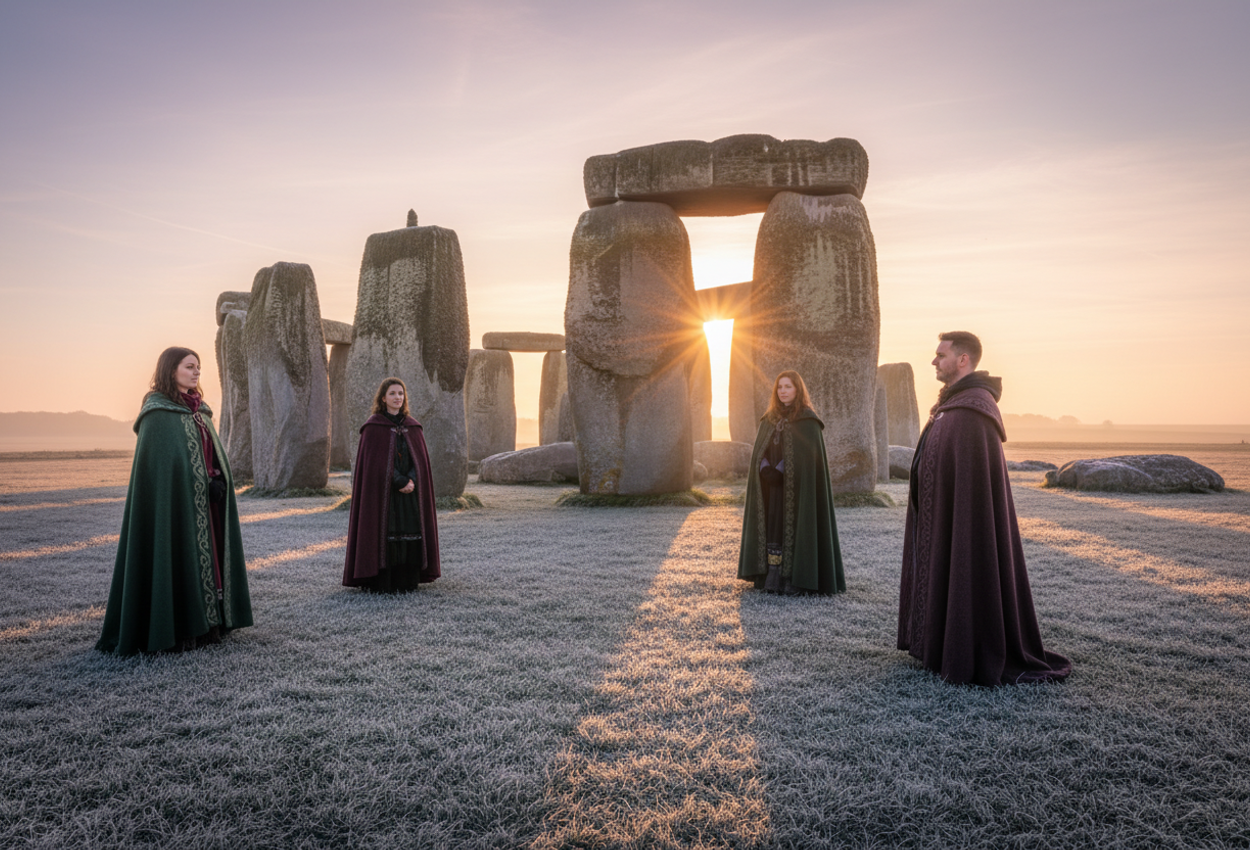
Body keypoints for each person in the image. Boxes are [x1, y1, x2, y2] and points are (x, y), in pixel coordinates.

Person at [897, 331, 1071, 685]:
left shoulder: (972, 411)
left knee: (964, 567)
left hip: (964, 524)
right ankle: (938, 644)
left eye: (941, 355)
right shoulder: (952, 406)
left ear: (963, 360)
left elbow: (973, 486)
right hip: (940, 518)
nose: (934, 360)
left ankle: (965, 649)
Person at [97, 347, 252, 654]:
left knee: (210, 561)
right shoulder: (157, 415)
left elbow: (210, 455)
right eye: (190, 367)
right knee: (177, 554)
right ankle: (179, 628)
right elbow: (163, 471)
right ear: (171, 370)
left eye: (198, 368)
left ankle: (211, 624)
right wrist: (199, 482)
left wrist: (217, 478)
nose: (196, 373)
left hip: (208, 505)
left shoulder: (201, 411)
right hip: (177, 507)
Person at [738, 371, 845, 595]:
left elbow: (806, 458)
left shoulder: (808, 421)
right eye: (779, 387)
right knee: (773, 528)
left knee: (794, 526)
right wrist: (765, 467)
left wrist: (782, 469)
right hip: (771, 488)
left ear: (798, 389)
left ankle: (794, 579)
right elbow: (760, 451)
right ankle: (771, 577)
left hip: (797, 491)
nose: (783, 391)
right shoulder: (768, 419)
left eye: (788, 386)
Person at [343, 377, 441, 591]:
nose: (398, 397)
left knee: (410, 529)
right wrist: (398, 480)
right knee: (385, 531)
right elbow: (374, 465)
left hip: (409, 494)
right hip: (383, 494)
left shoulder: (413, 427)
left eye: (401, 393)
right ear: (383, 398)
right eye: (393, 394)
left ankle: (408, 580)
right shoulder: (373, 428)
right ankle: (381, 580)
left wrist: (412, 480)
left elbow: (421, 461)